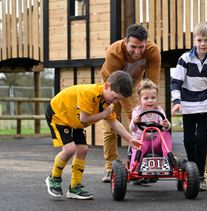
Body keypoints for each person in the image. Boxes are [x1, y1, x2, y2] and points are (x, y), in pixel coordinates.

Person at [45, 71, 142, 200]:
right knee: (69, 149)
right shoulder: (90, 93)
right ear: (107, 86)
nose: (116, 101)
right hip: (59, 115)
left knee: (83, 149)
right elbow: (85, 118)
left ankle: (75, 187)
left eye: (119, 99)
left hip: (75, 120)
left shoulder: (106, 102)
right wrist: (104, 114)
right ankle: (54, 178)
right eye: (115, 97)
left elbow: (114, 122)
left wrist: (130, 139)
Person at [100, 24, 161, 183]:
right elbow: (120, 91)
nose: (137, 51)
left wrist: (150, 108)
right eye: (133, 47)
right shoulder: (114, 52)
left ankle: (142, 165)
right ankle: (110, 167)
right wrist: (134, 115)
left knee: (144, 124)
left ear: (146, 43)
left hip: (135, 85)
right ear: (125, 42)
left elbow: (153, 83)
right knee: (110, 126)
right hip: (112, 87)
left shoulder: (152, 51)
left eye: (141, 47)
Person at [170, 21, 207, 191]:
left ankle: (199, 175)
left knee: (201, 140)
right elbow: (176, 82)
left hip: (206, 104)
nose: (203, 44)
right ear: (194, 40)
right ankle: (190, 169)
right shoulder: (185, 59)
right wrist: (177, 101)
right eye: (199, 40)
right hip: (188, 104)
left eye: (206, 40)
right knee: (188, 139)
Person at [129, 79, 172, 171]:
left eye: (153, 98)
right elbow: (131, 128)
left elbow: (167, 126)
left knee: (165, 134)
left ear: (156, 98)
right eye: (146, 98)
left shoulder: (159, 110)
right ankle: (134, 167)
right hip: (141, 141)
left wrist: (165, 124)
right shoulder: (137, 111)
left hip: (155, 142)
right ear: (140, 100)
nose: (150, 101)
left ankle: (167, 159)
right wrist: (135, 122)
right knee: (137, 149)